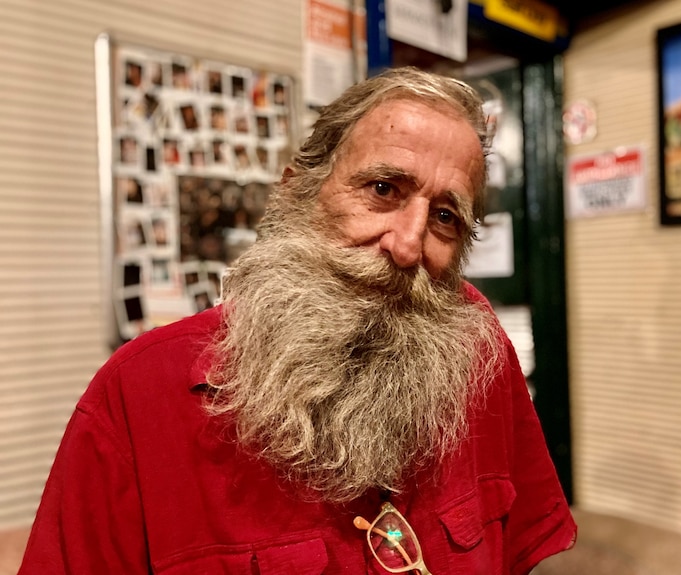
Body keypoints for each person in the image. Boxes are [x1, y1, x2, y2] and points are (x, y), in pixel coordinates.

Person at [18, 66, 576, 574]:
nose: (408, 245)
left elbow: (519, 551)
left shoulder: (479, 354)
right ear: (295, 193)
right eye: (383, 189)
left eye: (445, 217)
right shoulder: (139, 394)